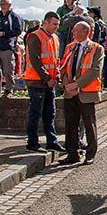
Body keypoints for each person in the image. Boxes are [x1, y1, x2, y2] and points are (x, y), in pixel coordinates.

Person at [58, 21, 104, 166]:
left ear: (85, 32)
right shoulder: (70, 47)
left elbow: (95, 70)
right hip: (70, 92)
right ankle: (72, 153)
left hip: (86, 92)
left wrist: (77, 84)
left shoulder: (96, 48)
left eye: (76, 30)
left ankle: (90, 154)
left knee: (89, 124)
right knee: (70, 124)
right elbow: (63, 67)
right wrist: (67, 85)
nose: (73, 33)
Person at [23, 12, 65, 153]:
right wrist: (48, 78)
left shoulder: (55, 38)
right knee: (35, 113)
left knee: (50, 112)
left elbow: (55, 60)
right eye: (54, 24)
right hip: (36, 80)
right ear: (45, 22)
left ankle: (52, 141)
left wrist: (56, 75)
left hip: (49, 81)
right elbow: (35, 60)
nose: (56, 27)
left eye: (57, 24)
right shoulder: (35, 36)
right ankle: (32, 142)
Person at [0, 0, 22, 95]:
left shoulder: (14, 17)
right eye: (1, 4)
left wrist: (4, 33)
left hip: (8, 47)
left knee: (8, 70)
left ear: (9, 5)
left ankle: (9, 89)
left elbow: (18, 31)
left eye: (4, 4)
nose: (2, 6)